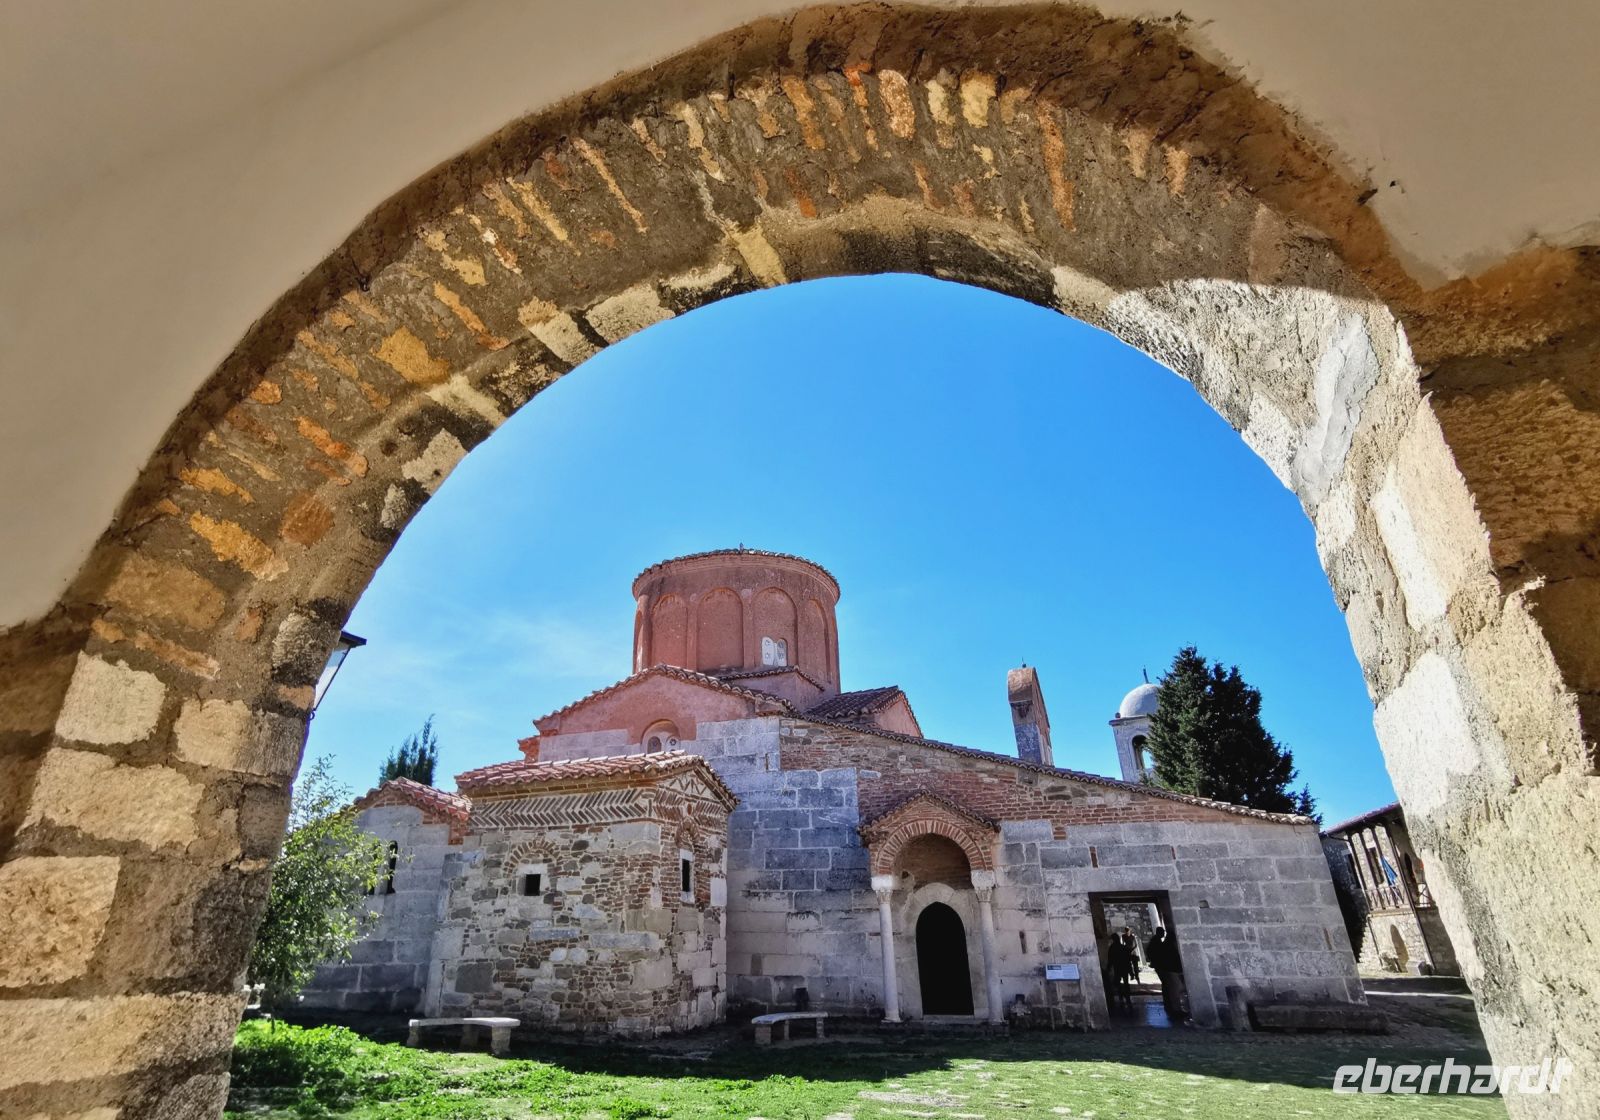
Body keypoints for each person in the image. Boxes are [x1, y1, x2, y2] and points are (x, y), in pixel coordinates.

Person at [1145, 927, 1188, 1023]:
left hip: (1166, 968)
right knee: (1174, 989)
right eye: (1162, 932)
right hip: (1167, 968)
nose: (1163, 933)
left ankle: (1171, 1006)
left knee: (1170, 987)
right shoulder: (1160, 943)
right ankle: (1175, 1009)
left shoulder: (1160, 942)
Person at [1107, 928, 1135, 1009]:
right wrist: (1131, 972)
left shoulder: (1112, 948)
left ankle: (1122, 997)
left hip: (1118, 968)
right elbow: (1128, 960)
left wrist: (1108, 968)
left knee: (1119, 983)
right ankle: (1127, 998)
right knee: (1125, 983)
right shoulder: (1123, 947)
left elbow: (1110, 959)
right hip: (1123, 968)